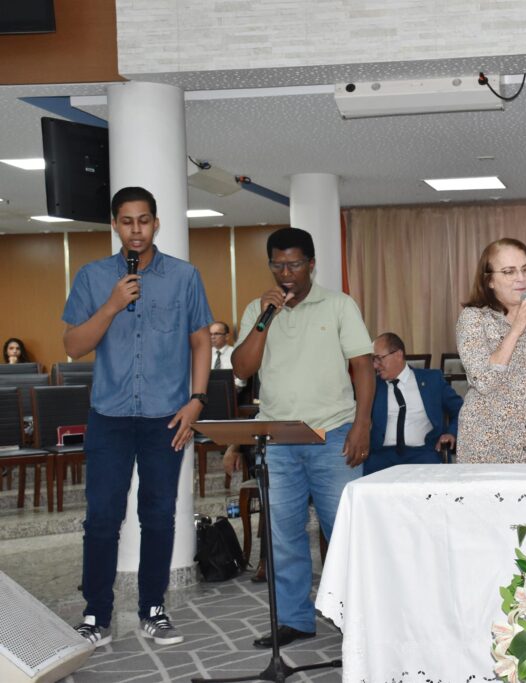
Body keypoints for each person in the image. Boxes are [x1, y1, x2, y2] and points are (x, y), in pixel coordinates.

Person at [62, 186, 212, 647]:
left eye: (144, 220)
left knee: (159, 516)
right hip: (109, 416)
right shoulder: (92, 277)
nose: (136, 230)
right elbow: (73, 345)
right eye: (126, 221)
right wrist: (111, 305)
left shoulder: (184, 276)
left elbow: (200, 341)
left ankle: (153, 609)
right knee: (102, 519)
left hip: (166, 417)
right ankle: (96, 614)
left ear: (156, 223)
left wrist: (197, 400)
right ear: (114, 225)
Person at [232, 227, 374, 648]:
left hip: (333, 434)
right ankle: (294, 619)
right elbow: (241, 368)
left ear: (311, 264)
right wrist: (264, 319)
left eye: (294, 264)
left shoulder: (339, 305)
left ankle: (358, 621)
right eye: (277, 265)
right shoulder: (258, 309)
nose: (286, 273)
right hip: (277, 439)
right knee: (284, 536)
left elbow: (363, 366)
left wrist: (362, 425)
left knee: (345, 534)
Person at [455, 238, 526, 463]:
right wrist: (516, 328)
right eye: (509, 272)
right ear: (490, 281)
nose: (521, 278)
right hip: (488, 446)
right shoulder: (474, 319)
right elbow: (484, 381)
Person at [365, 332, 463, 475]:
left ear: (398, 355)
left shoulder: (432, 380)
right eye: (373, 360)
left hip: (422, 454)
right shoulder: (373, 385)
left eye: (379, 359)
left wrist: (451, 433)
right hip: (382, 456)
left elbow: (460, 409)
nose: (375, 365)